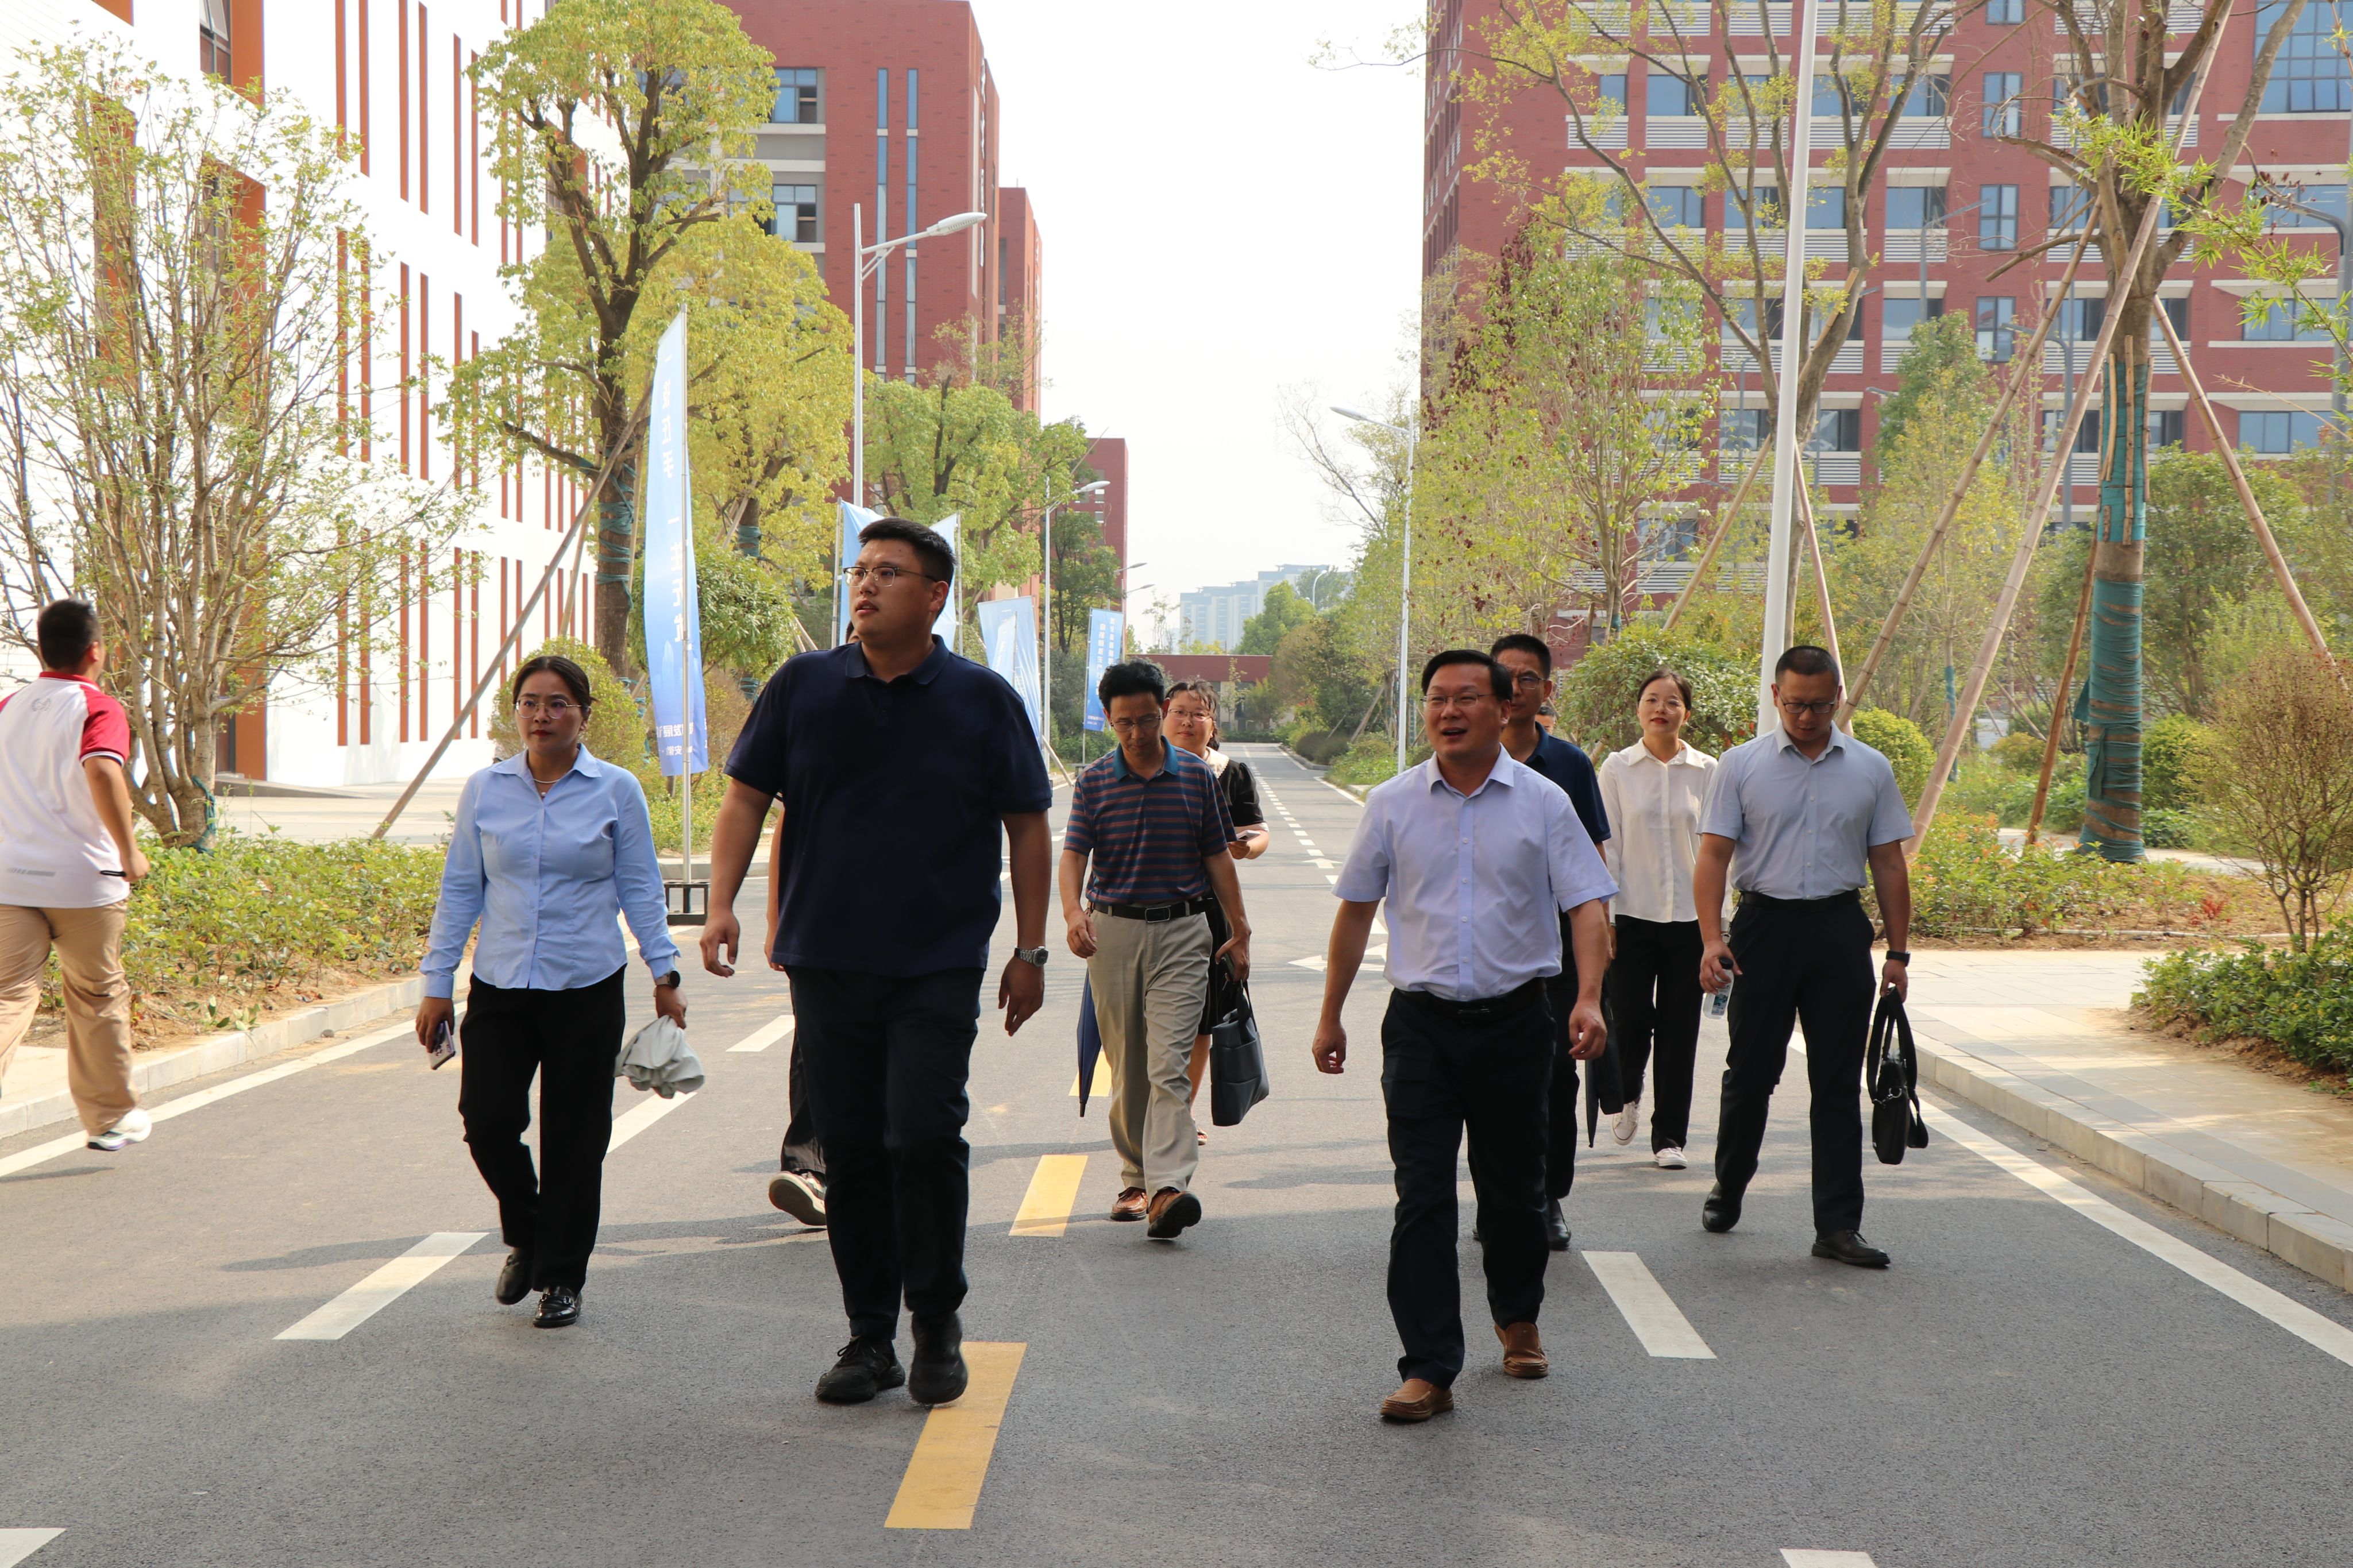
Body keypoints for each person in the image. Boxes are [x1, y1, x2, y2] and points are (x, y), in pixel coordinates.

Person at [700, 517, 1052, 1408]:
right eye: (859, 570)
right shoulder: (803, 686)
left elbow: (1027, 826)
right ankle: (870, 1335)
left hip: (937, 960)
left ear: (935, 596)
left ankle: (935, 1320)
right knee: (851, 1148)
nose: (865, 585)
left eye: (888, 572)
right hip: (826, 958)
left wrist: (1030, 949)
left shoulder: (983, 699)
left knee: (924, 1134)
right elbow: (745, 799)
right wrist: (721, 903)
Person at [1313, 650, 1615, 1424]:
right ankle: (1428, 1366)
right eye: (1437, 699)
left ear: (1505, 707)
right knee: (1421, 1193)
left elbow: (1586, 905)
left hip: (1516, 1022)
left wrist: (1587, 998)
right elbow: (1355, 911)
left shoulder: (1544, 802)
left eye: (1467, 697)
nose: (1449, 712)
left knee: (1514, 1189)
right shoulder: (1392, 803)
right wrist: (1330, 1012)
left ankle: (1518, 1317)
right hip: (1421, 1026)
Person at [416, 653, 686, 1330]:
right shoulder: (486, 790)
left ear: (583, 716)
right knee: (486, 1121)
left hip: (585, 987)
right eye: (530, 703)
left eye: (558, 703)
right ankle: (530, 1233)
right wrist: (436, 984)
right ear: (516, 714)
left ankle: (561, 1277)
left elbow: (640, 888)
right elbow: (460, 888)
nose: (542, 716)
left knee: (575, 1139)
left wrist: (664, 974)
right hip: (501, 985)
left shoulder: (616, 790)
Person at [1695, 645, 1914, 1269]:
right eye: (1794, 705)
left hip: (1838, 930)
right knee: (1752, 1071)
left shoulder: (1869, 768)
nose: (1807, 717)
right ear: (1775, 697)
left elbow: (1888, 863)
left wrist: (1898, 954)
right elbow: (1713, 856)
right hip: (1762, 929)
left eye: (1819, 706)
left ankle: (1838, 1226)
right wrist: (1711, 938)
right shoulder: (1740, 766)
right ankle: (1729, 1184)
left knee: (1838, 1082)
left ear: (1837, 698)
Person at [1060, 663, 1251, 1238]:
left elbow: (1218, 857)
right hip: (1113, 932)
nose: (1138, 733)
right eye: (1125, 723)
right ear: (1108, 719)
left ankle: (1168, 1187)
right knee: (1129, 1068)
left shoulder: (1195, 777)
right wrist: (1072, 913)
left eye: (1147, 720)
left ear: (1160, 713)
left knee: (1169, 1064)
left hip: (1184, 932)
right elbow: (1073, 856)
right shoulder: (1095, 781)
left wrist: (1239, 929)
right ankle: (1135, 1178)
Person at [0, 600, 150, 1153]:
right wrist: (130, 851)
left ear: (42, 649)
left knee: (8, 998)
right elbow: (103, 769)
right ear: (95, 652)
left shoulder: (8, 707)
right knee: (96, 994)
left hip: (10, 881)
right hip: (83, 882)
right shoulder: (97, 707)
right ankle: (109, 1119)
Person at [1488, 632, 1610, 1251]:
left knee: (1558, 1079)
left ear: (1546, 690)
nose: (1515, 689)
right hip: (1489, 950)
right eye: (1504, 676)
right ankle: (1496, 1198)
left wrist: (1598, 960)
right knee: (1490, 1083)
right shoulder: (1463, 757)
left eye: (1528, 678)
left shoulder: (1569, 766)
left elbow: (1592, 863)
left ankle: (1547, 1197)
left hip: (1557, 950)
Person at [1595, 668, 1717, 1169]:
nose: (1660, 709)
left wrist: (1720, 926)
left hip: (1691, 920)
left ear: (1686, 712)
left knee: (1679, 1029)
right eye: (1651, 700)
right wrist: (1605, 920)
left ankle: (1669, 1136)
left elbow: (1719, 850)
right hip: (1632, 916)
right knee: (1630, 1018)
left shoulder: (1708, 771)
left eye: (1671, 702)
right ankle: (1628, 1093)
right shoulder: (1617, 769)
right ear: (1638, 708)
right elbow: (1608, 847)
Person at [1162, 680, 1268, 1127]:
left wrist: (1248, 846)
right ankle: (1149, 1113)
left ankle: (1179, 1116)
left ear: (1213, 724)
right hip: (1141, 909)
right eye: (1180, 712)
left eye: (1199, 714)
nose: (1188, 722)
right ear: (1163, 716)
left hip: (1210, 913)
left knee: (1202, 1019)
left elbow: (1258, 831)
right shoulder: (1137, 768)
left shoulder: (1230, 773)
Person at [762, 810, 826, 1228]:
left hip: (922, 942)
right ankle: (810, 1171)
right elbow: (787, 823)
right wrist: (776, 920)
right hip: (823, 929)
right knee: (815, 1043)